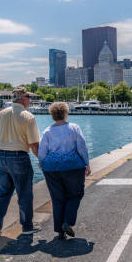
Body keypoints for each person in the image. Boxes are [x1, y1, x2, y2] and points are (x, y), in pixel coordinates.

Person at [0, 87, 41, 237]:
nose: (30, 100)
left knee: (1, 194)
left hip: (1, 156)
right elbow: (34, 144)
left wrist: (3, 138)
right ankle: (27, 226)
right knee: (24, 194)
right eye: (28, 97)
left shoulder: (2, 113)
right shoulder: (28, 116)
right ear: (22, 99)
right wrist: (42, 160)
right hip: (19, 157)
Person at [38, 102, 91, 240]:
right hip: (72, 166)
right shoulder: (74, 128)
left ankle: (60, 231)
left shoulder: (47, 131)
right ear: (65, 113)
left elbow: (42, 152)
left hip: (51, 168)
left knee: (57, 198)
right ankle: (67, 222)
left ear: (52, 115)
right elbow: (82, 146)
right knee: (75, 194)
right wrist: (86, 163)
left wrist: (42, 165)